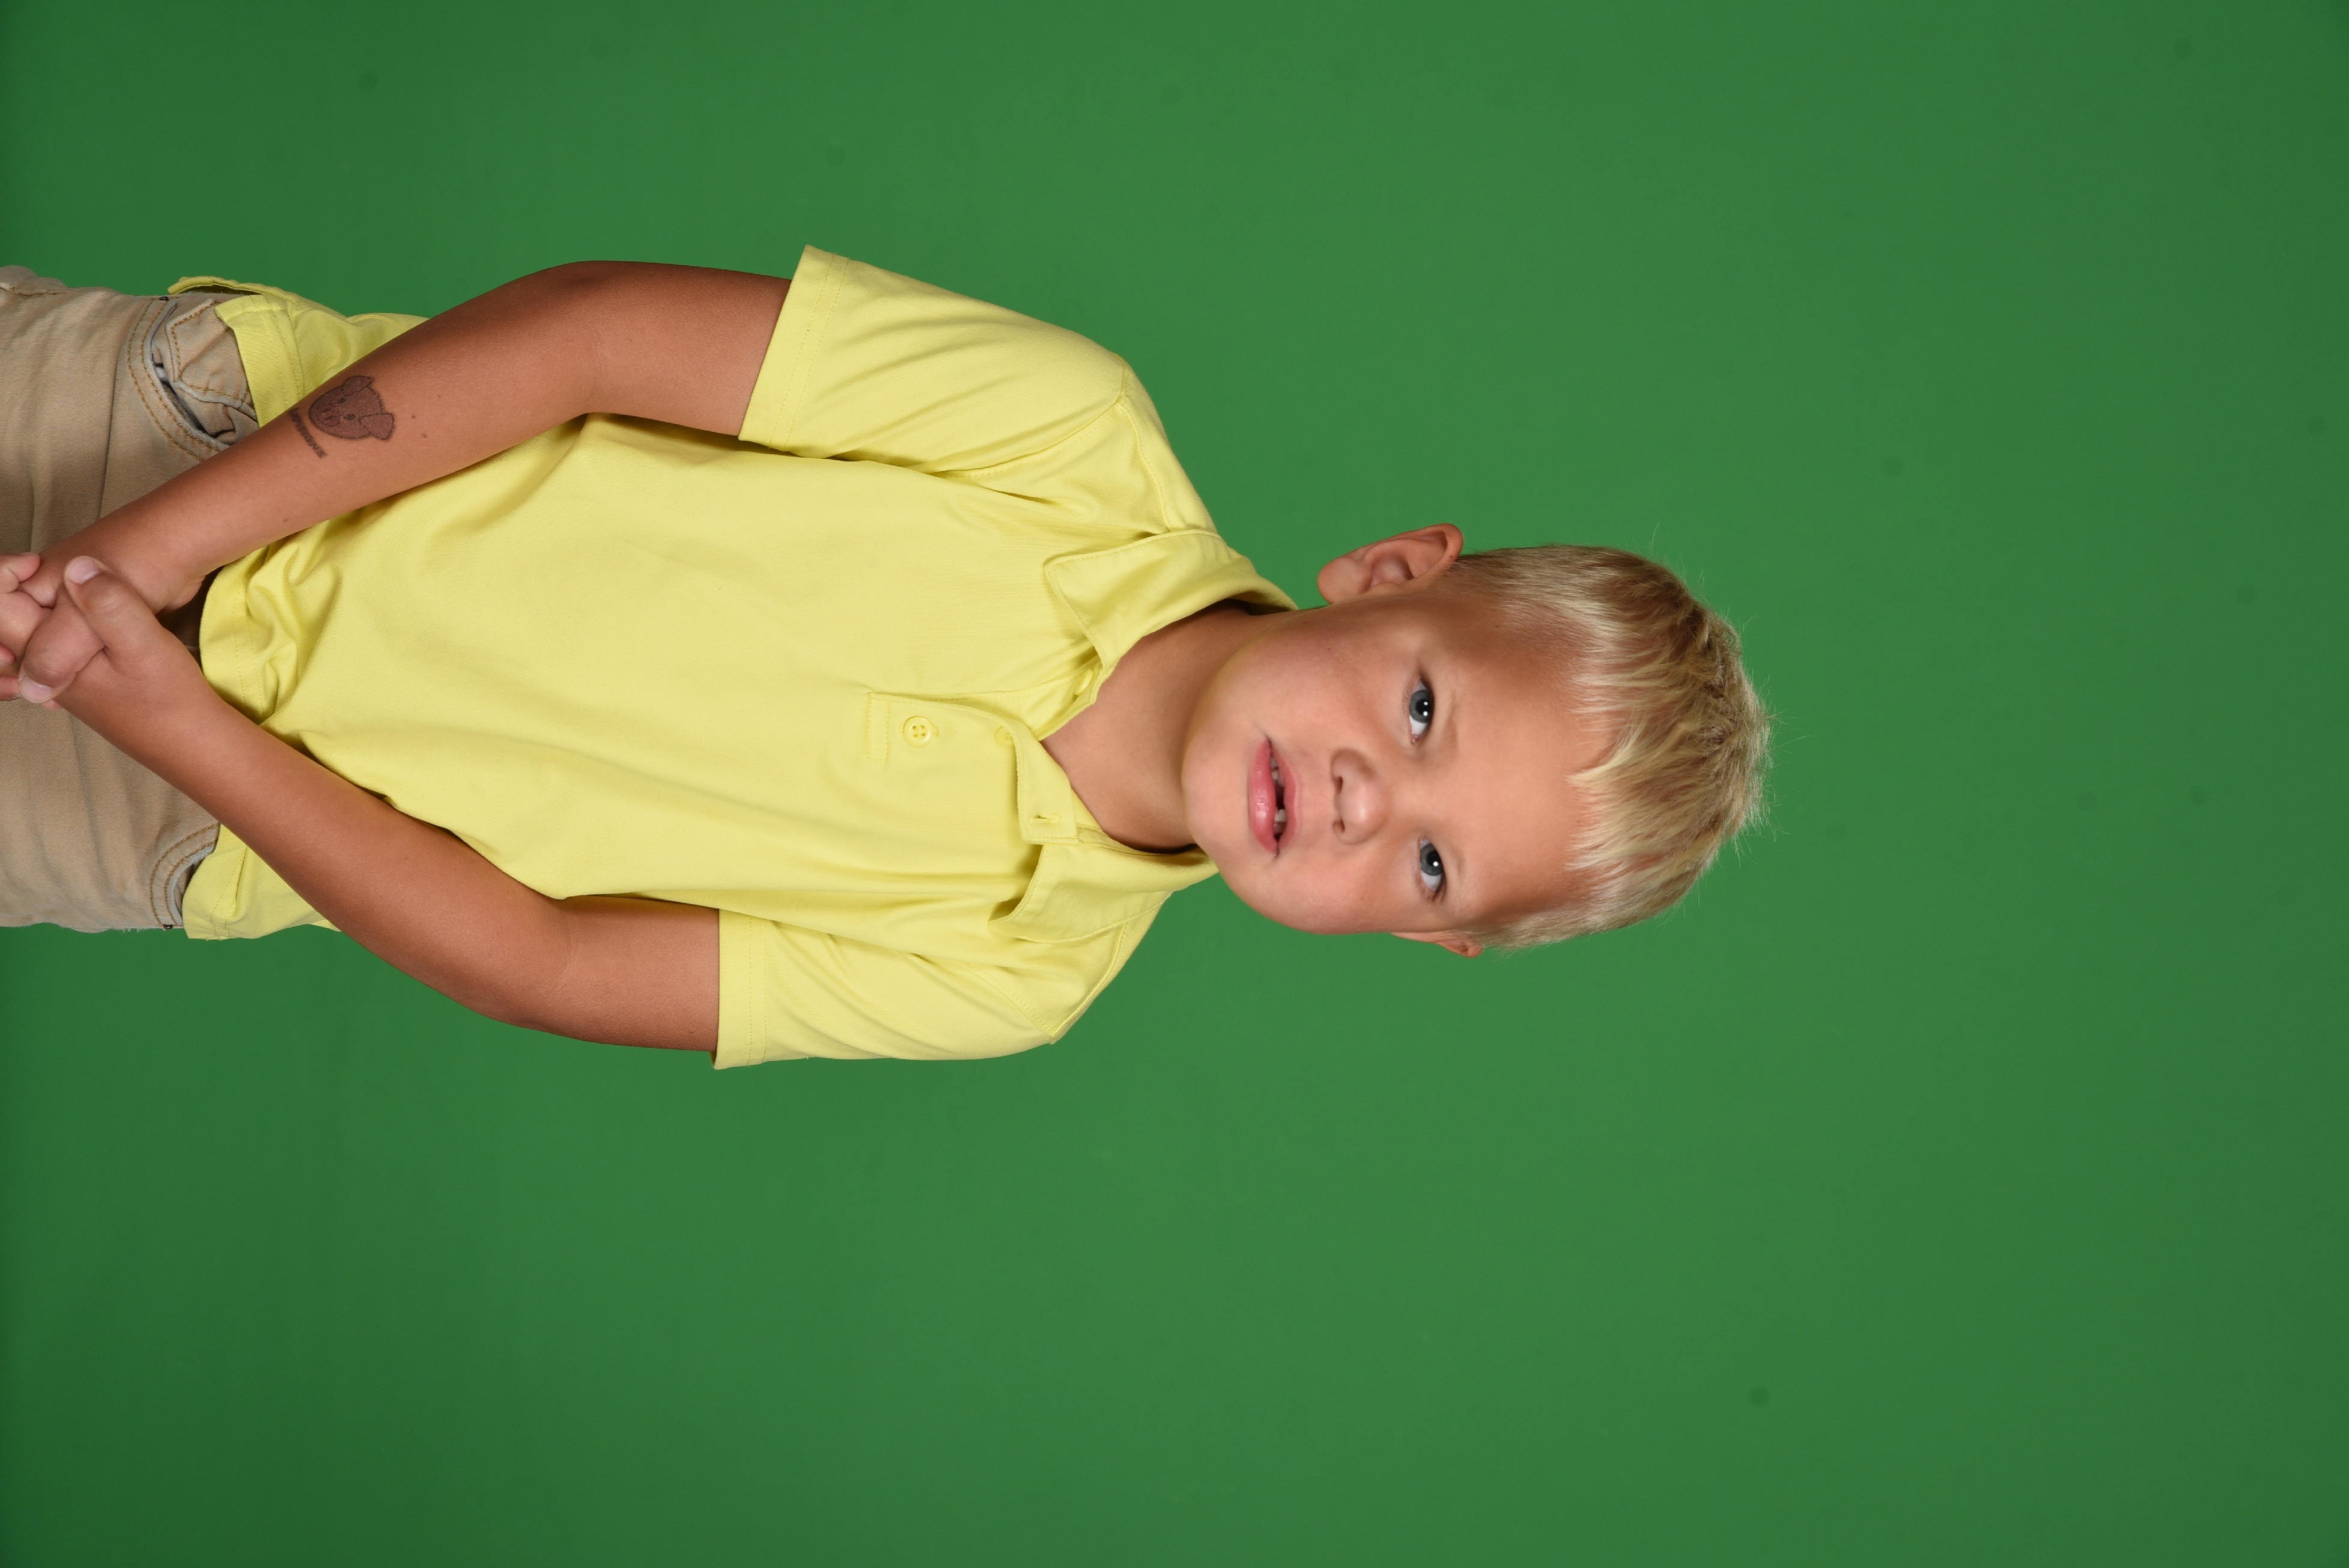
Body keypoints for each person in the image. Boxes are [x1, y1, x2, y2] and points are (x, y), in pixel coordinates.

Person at [0, 252, 1767, 1065]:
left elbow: (543, 959)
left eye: (1434, 862)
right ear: (1389, 575)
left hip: (169, 807)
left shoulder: (1013, 978)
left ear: (1424, 937)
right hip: (196, 444)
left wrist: (170, 723)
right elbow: (592, 336)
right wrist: (144, 554)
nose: (1374, 799)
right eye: (1423, 707)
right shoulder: (1069, 433)